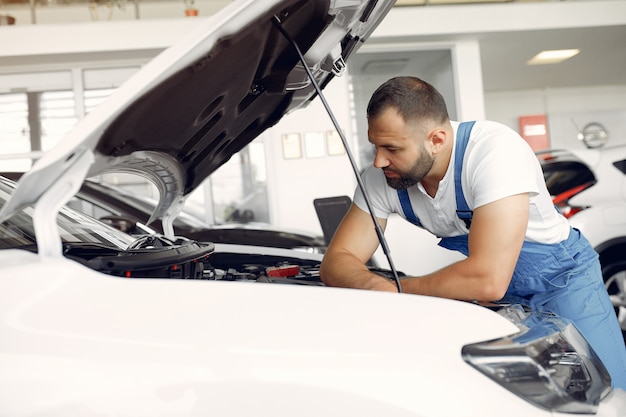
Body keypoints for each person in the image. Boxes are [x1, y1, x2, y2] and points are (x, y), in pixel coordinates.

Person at [319, 76, 626, 390]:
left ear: (436, 140)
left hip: (564, 282)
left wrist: (397, 290)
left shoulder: (494, 151)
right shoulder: (381, 178)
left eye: (392, 148)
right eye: (375, 145)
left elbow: (488, 278)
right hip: (503, 297)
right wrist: (373, 285)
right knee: (530, 394)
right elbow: (337, 260)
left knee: (605, 388)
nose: (378, 160)